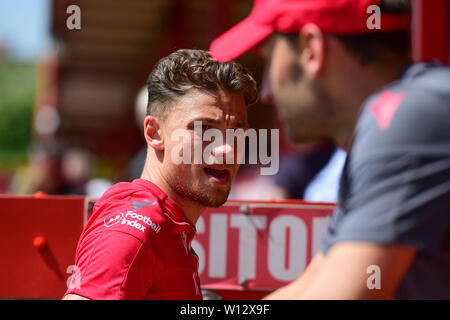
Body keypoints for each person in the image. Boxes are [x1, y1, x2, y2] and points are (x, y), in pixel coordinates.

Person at [210, 0, 450, 299]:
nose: (267, 93)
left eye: (271, 60)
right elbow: (310, 286)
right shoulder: (388, 124)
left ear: (312, 48)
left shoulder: (406, 115)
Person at [63, 49, 257, 300]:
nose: (227, 149)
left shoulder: (164, 224)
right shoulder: (134, 228)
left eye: (236, 131)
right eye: (204, 129)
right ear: (154, 133)